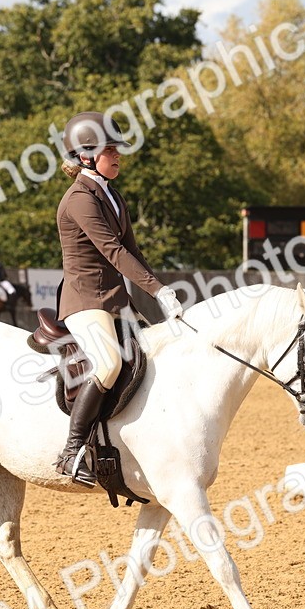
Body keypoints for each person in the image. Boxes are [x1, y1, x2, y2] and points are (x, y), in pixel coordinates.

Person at [53, 110, 183, 486]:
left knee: (157, 354)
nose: (118, 155)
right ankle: (72, 451)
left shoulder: (112, 195)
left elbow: (133, 251)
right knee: (109, 363)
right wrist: (156, 290)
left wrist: (161, 290)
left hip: (114, 301)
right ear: (85, 155)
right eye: (110, 150)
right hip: (86, 300)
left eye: (117, 149)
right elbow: (113, 251)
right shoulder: (79, 198)